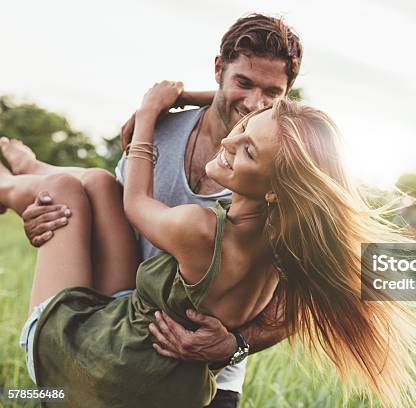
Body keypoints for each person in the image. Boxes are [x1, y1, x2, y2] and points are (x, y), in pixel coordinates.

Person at [0, 81, 416, 407]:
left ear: (278, 186)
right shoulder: (290, 248)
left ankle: (7, 186)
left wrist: (147, 116)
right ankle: (29, 166)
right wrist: (192, 99)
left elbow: (135, 203)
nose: (230, 140)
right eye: (244, 126)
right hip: (163, 373)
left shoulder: (200, 229)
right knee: (100, 183)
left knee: (64, 192)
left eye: (248, 150)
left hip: (107, 367)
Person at [9, 13, 304, 407]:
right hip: (120, 316)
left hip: (196, 375)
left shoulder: (279, 184)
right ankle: (29, 174)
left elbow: (317, 298)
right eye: (243, 82)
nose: (255, 103)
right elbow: (108, 205)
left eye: (272, 93)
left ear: (286, 96)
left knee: (66, 188)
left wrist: (234, 345)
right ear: (219, 69)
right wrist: (43, 217)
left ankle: (23, 177)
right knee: (89, 184)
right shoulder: (163, 133)